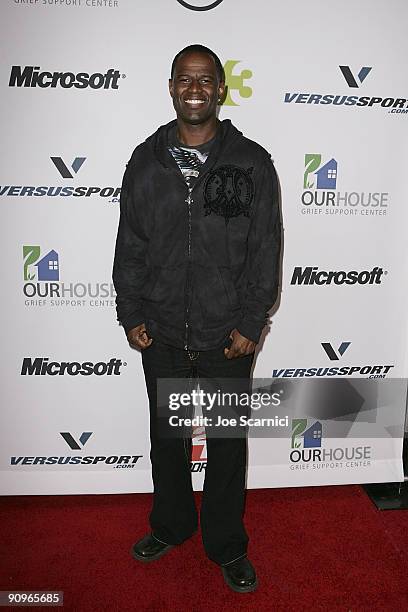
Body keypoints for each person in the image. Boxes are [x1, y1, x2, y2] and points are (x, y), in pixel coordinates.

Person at [113, 44, 281, 593]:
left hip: (226, 335)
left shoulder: (251, 162)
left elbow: (265, 251)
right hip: (161, 329)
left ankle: (227, 544)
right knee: (168, 438)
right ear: (171, 87)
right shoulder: (145, 160)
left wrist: (251, 323)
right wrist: (131, 310)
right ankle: (172, 525)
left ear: (220, 89)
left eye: (205, 79)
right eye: (185, 79)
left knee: (228, 445)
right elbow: (130, 244)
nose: (195, 89)